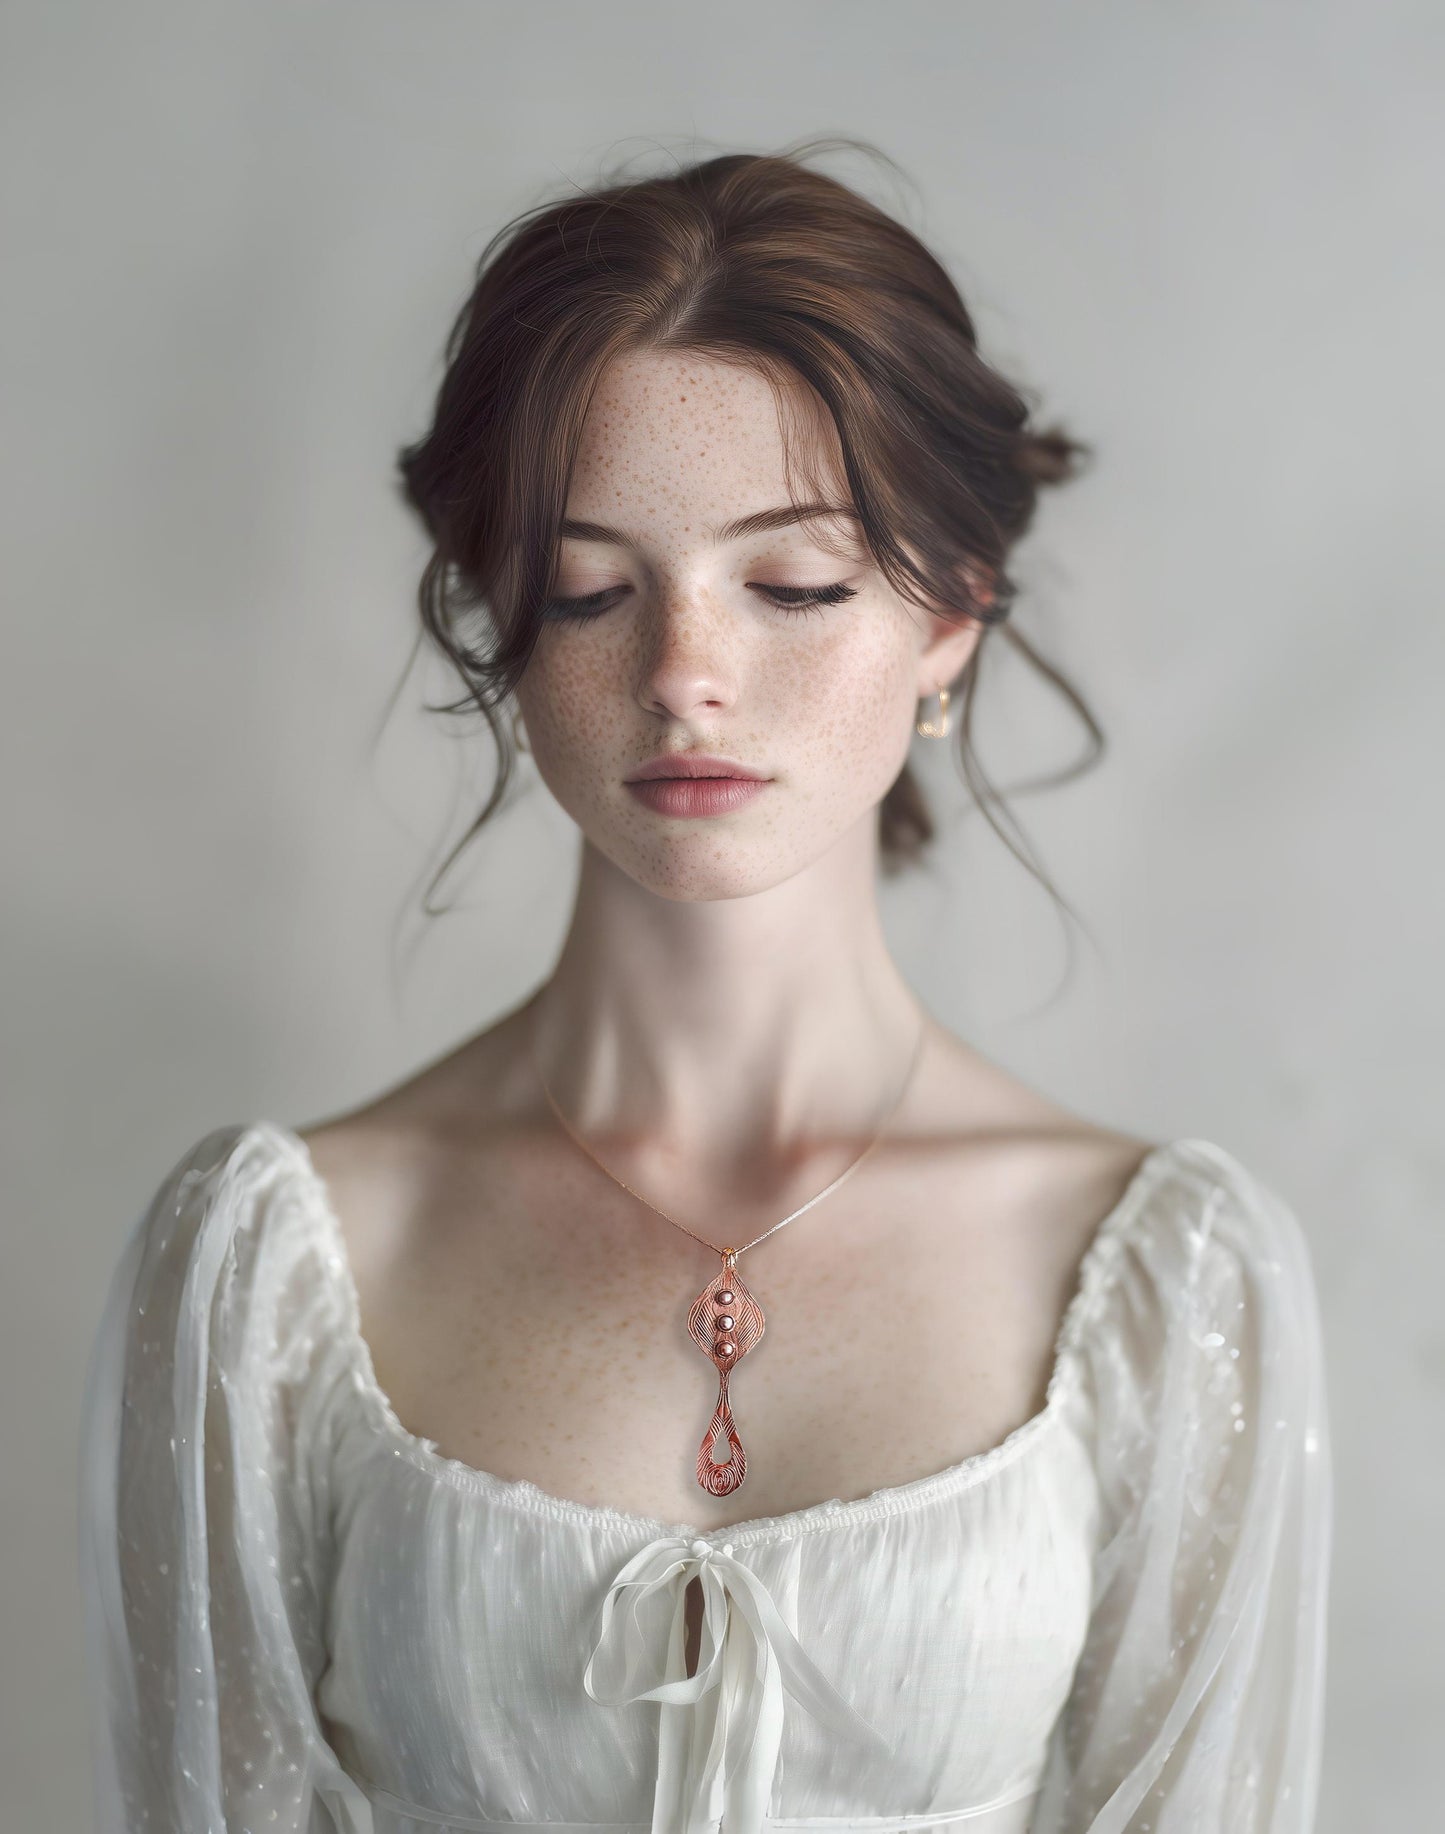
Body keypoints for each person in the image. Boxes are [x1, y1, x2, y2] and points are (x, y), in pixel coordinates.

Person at [77, 142, 1333, 1834]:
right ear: (496, 618)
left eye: (793, 584)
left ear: (951, 610)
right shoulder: (277, 1262)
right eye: (593, 588)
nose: (686, 675)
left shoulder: (1165, 1285)